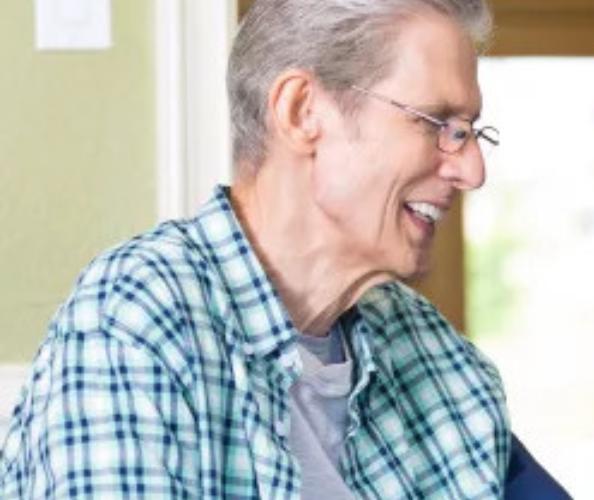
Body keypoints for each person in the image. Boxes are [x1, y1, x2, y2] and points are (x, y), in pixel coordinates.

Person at [0, 1, 534, 498]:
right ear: (301, 111)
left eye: (470, 132)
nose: (472, 171)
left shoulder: (445, 365)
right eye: (440, 124)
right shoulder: (137, 316)